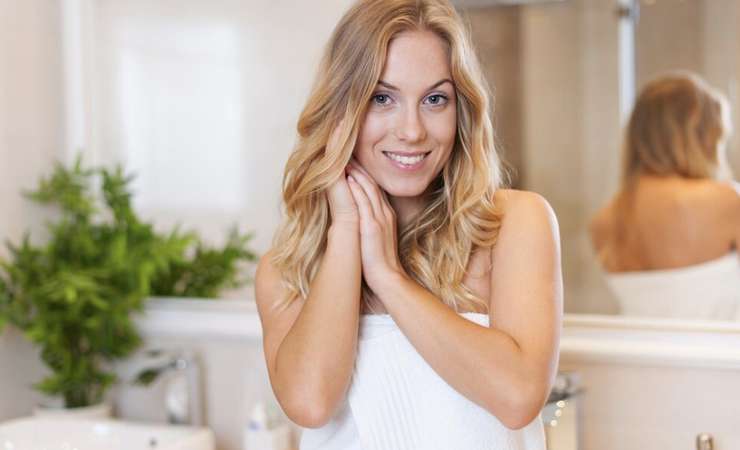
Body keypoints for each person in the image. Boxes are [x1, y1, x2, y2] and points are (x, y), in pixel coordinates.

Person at [254, 1, 563, 448]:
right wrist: (346, 230)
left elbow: (518, 398)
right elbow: (310, 404)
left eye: (435, 99)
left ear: (461, 111)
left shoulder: (513, 224)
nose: (413, 130)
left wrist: (388, 276)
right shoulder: (286, 271)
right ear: (341, 111)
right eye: (382, 99)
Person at [590, 72, 740, 320]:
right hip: (719, 347)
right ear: (703, 135)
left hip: (636, 345)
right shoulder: (727, 200)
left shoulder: (603, 221)